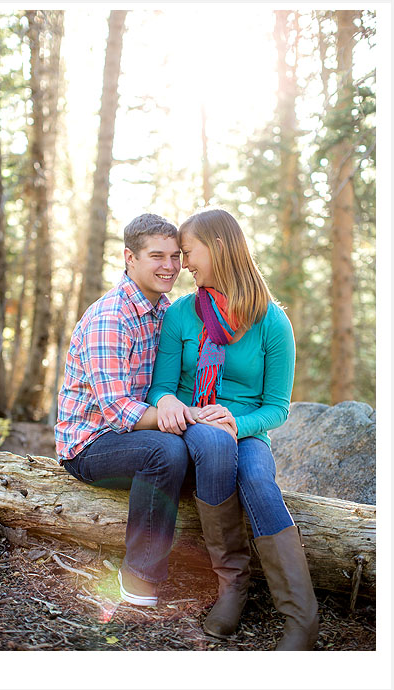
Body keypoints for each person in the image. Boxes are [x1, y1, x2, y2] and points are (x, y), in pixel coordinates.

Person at [146, 207, 318, 651]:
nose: (183, 264)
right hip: (192, 423)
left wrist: (237, 422)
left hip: (245, 431)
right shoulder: (181, 315)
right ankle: (233, 587)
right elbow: (161, 388)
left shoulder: (272, 322)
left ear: (218, 246)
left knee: (260, 481)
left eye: (188, 252)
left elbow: (278, 408)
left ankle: (301, 617)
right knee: (213, 440)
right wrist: (175, 406)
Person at [55, 213, 199, 607]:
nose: (169, 267)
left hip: (137, 435)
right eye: (157, 256)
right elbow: (118, 412)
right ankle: (138, 578)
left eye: (175, 256)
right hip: (91, 443)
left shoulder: (165, 311)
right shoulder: (111, 317)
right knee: (166, 450)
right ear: (129, 258)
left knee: (200, 450)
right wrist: (184, 417)